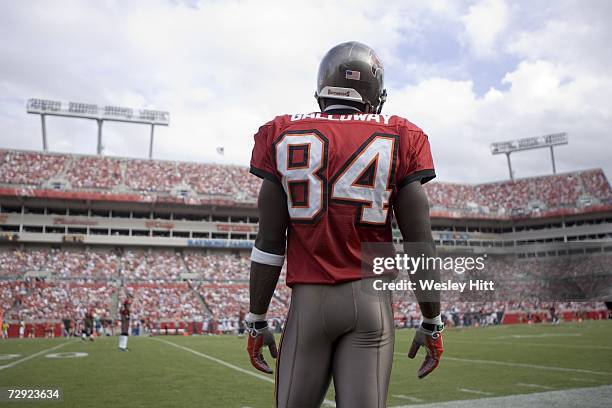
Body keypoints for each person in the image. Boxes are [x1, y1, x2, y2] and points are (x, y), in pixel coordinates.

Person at [245, 41, 444, 407]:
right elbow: (420, 244)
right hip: (370, 302)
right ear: (375, 93)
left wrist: (257, 317)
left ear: (321, 90)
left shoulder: (280, 133)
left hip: (307, 302)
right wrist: (432, 320)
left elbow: (269, 242)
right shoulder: (402, 134)